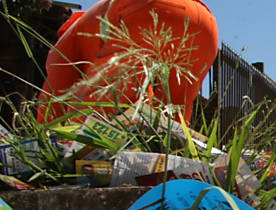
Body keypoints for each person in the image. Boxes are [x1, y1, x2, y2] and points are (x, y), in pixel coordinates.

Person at [38, 0, 218, 124]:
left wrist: (45, 136)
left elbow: (52, 98)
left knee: (92, 115)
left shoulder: (70, 37)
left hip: (151, 9)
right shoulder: (94, 23)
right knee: (172, 118)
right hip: (207, 24)